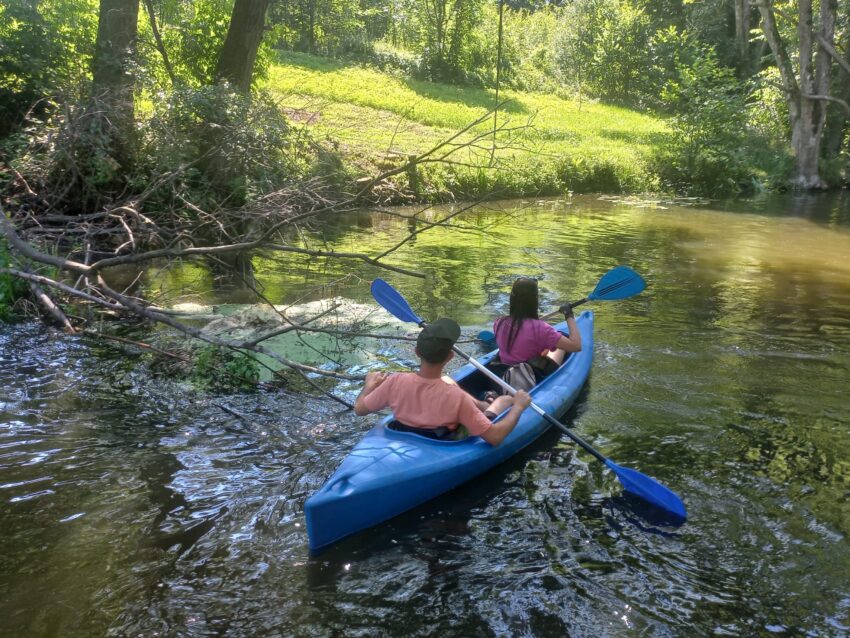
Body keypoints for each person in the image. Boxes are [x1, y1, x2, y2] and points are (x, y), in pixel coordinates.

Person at [354, 318, 532, 446]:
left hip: (406, 434)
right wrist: (518, 407)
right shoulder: (455, 398)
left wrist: (369, 386)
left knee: (447, 379)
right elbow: (495, 438)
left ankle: (484, 404)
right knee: (505, 400)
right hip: (444, 440)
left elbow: (360, 409)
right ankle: (490, 404)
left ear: (417, 351)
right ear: (450, 357)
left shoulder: (395, 381)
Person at [493, 277, 582, 382]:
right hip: (530, 377)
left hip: (503, 371)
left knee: (544, 345)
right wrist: (569, 316)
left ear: (512, 299)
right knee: (560, 346)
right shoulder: (541, 328)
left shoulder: (499, 322)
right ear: (534, 300)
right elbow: (576, 346)